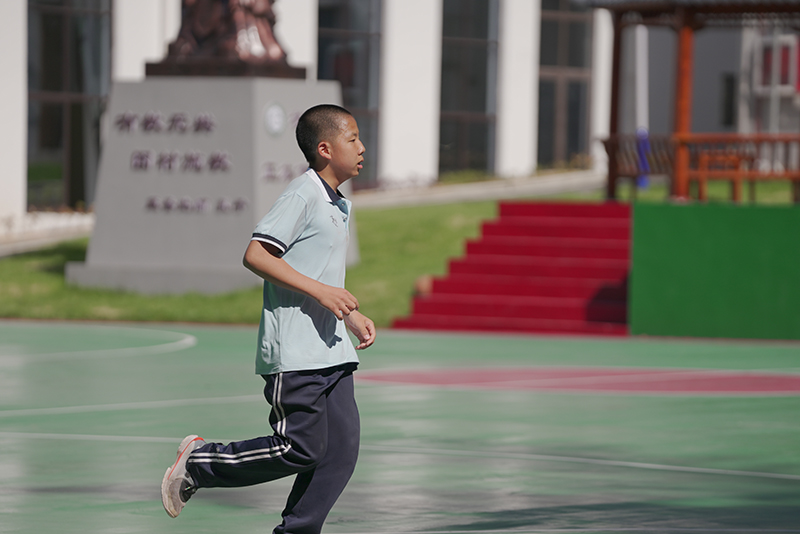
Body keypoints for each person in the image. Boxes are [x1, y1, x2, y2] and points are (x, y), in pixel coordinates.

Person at [161, 104, 375, 534]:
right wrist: (322, 293)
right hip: (296, 352)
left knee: (340, 453)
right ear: (325, 148)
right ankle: (200, 463)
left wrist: (348, 314)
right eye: (352, 139)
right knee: (301, 448)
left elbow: (317, 270)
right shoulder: (303, 193)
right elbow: (257, 255)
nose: (362, 147)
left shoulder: (336, 202)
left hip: (332, 349)